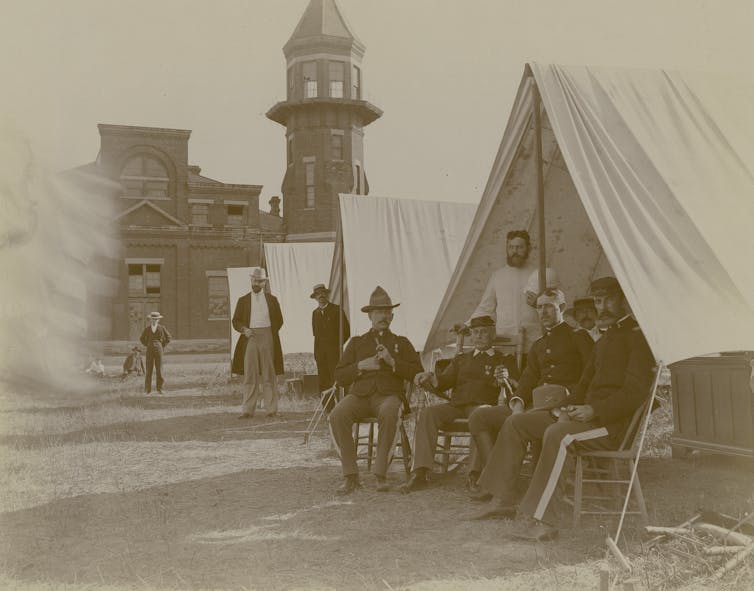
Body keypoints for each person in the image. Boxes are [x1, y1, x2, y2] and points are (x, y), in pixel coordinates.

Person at [471, 277, 655, 543]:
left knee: (559, 435)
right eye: (599, 301)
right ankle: (503, 499)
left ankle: (545, 521)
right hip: (586, 416)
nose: (602, 307)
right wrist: (563, 408)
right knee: (517, 423)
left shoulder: (637, 338)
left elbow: (634, 393)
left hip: (611, 425)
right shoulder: (606, 339)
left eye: (609, 300)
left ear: (624, 300)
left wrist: (593, 410)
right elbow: (584, 384)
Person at [467, 288, 594, 492]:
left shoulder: (579, 338)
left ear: (561, 308)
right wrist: (517, 403)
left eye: (549, 307)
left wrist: (567, 402)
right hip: (533, 406)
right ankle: (500, 478)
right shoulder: (538, 345)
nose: (543, 312)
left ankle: (498, 489)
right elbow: (528, 379)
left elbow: (590, 377)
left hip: (562, 409)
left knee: (516, 422)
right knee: (479, 417)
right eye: (539, 307)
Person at [401, 315, 515, 493]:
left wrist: (505, 380)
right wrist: (430, 377)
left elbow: (513, 388)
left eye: (483, 332)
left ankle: (474, 475)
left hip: (482, 407)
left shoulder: (503, 359)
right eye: (475, 332)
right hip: (456, 406)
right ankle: (420, 473)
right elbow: (444, 381)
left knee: (480, 417)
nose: (478, 336)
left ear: (492, 334)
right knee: (428, 413)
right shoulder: (462, 359)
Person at [329, 286, 423, 494]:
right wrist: (361, 366)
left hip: (389, 395)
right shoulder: (356, 343)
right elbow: (339, 376)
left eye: (387, 312)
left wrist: (392, 362)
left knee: (390, 412)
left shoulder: (401, 343)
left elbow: (418, 373)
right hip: (360, 396)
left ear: (392, 316)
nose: (384, 316)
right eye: (379, 312)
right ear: (370, 315)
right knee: (337, 414)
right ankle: (350, 476)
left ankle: (381, 474)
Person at [466, 230, 559, 357]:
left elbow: (557, 305)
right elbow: (485, 308)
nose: (515, 251)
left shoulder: (540, 275)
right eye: (511, 247)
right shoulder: (497, 276)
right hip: (505, 342)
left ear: (528, 248)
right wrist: (466, 325)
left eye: (519, 247)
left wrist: (538, 303)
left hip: (534, 341)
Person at [232, 267, 284, 419]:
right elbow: (236, 320)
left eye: (260, 281)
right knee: (250, 374)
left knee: (269, 373)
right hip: (250, 336)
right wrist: (244, 329)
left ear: (264, 283)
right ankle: (248, 410)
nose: (256, 283)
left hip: (267, 335)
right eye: (254, 280)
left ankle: (271, 409)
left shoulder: (272, 300)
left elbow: (279, 320)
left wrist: (269, 333)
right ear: (251, 280)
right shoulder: (243, 300)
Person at [311, 283, 350, 410]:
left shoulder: (336, 310)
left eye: (323, 293)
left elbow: (346, 331)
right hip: (320, 354)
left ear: (327, 294)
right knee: (324, 382)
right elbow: (315, 335)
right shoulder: (315, 314)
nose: (321, 296)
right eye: (318, 294)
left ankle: (342, 408)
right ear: (315, 297)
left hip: (335, 353)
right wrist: (317, 354)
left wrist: (337, 346)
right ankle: (329, 409)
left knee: (338, 379)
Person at [140, 311, 171, 394]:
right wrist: (148, 344)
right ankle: (147, 390)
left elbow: (168, 338)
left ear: (158, 320)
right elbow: (142, 338)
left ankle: (160, 389)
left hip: (159, 350)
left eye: (156, 319)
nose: (154, 321)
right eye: (153, 319)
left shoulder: (162, 328)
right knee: (148, 370)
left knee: (159, 370)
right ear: (150, 320)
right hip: (149, 350)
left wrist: (161, 345)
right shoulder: (147, 329)